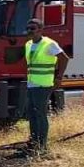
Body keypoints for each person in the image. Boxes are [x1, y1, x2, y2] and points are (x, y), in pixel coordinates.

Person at [23, 18, 68, 155]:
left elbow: (64, 58)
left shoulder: (49, 44)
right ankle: (34, 142)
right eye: (28, 28)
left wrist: (59, 77)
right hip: (32, 84)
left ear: (40, 30)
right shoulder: (28, 44)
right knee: (32, 114)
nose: (30, 31)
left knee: (40, 114)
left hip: (43, 84)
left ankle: (42, 146)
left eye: (33, 28)